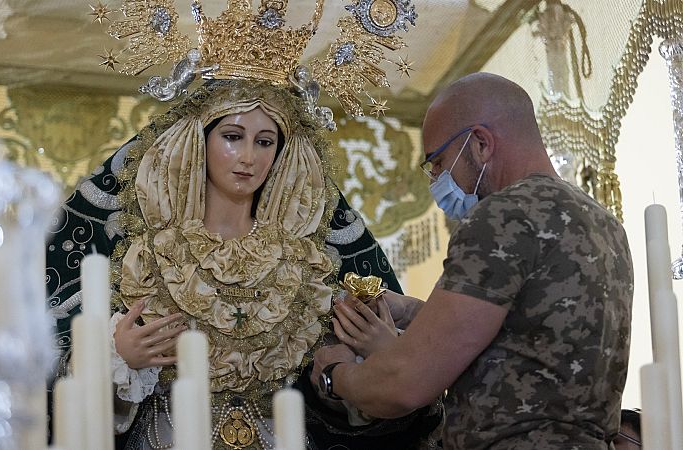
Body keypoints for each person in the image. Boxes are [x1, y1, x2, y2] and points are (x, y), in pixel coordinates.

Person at [45, 80, 443, 450]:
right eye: (233, 137)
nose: (249, 158)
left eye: (265, 142)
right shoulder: (144, 257)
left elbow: (341, 395)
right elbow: (58, 378)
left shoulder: (308, 265)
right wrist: (117, 359)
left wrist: (373, 361)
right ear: (198, 141)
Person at [312, 72, 634, 449]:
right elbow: (522, 329)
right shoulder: (603, 222)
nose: (434, 176)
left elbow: (404, 384)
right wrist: (412, 312)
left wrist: (336, 375)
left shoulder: (503, 216)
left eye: (437, 160)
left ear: (480, 143)